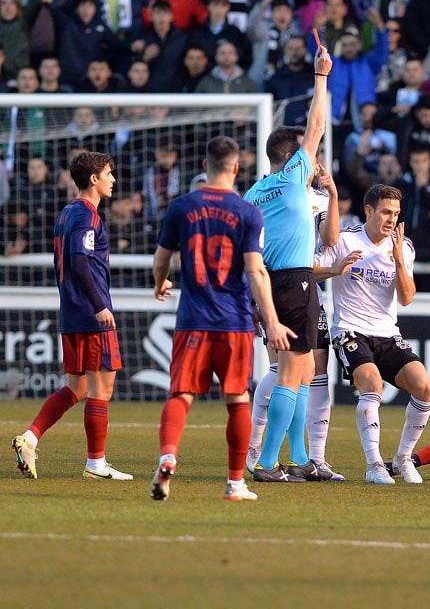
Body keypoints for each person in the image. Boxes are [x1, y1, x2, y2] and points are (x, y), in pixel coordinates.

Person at [148, 137, 294, 502]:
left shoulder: (181, 207)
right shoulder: (247, 212)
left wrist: (159, 282)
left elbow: (161, 257)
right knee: (237, 400)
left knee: (181, 394)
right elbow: (256, 271)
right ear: (235, 167)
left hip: (193, 319)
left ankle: (168, 455)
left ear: (204, 164)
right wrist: (272, 321)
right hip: (234, 322)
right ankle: (234, 484)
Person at [243, 41, 334, 483]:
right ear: (290, 155)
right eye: (303, 150)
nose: (310, 154)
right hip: (297, 280)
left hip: (267, 284)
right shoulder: (296, 174)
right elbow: (317, 123)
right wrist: (321, 77)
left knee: (297, 371)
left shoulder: (253, 194)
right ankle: (265, 463)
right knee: (294, 372)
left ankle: (299, 458)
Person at [12, 152, 132, 482]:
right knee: (101, 386)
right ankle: (96, 463)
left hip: (71, 311)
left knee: (77, 386)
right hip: (89, 313)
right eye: (109, 173)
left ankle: (30, 438)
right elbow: (79, 262)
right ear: (93, 179)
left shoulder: (66, 214)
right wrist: (98, 305)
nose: (113, 179)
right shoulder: (86, 216)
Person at [315, 184, 430, 485]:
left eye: (396, 213)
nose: (391, 219)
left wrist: (398, 261)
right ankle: (374, 464)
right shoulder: (344, 239)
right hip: (350, 329)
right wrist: (335, 269)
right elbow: (310, 268)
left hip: (387, 333)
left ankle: (403, 459)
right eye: (385, 212)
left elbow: (406, 298)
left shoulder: (403, 247)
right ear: (369, 211)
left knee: (424, 386)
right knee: (373, 384)